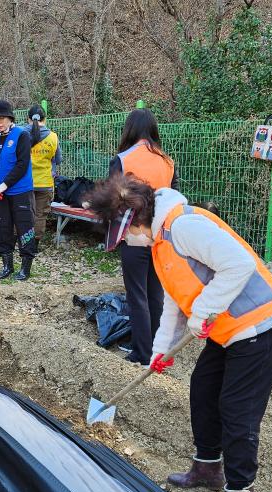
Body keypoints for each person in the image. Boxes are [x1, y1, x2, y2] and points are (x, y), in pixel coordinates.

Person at [84, 175, 272, 492]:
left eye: (125, 236)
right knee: (203, 389)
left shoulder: (184, 227)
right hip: (228, 326)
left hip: (259, 323)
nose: (126, 243)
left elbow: (239, 264)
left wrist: (204, 311)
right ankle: (207, 467)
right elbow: (175, 301)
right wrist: (161, 350)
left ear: (134, 221)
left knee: (236, 408)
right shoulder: (160, 242)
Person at [104, 108, 175, 366]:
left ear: (129, 130)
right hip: (160, 235)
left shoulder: (123, 159)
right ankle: (155, 348)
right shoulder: (167, 161)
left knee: (137, 295)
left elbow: (112, 198)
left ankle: (142, 353)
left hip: (134, 234)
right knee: (155, 293)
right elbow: (173, 196)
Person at [0, 100, 36, 280]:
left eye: (2, 118)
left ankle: (26, 267)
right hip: (0, 193)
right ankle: (7, 265)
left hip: (20, 191)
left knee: (25, 226)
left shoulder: (21, 135)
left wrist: (4, 184)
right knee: (2, 227)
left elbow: (22, 164)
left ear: (10, 118)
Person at [27, 104, 61, 241]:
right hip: (45, 183)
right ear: (45, 119)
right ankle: (34, 244)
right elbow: (58, 160)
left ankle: (23, 242)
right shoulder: (53, 137)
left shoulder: (22, 134)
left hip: (25, 182)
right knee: (40, 215)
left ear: (28, 119)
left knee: (24, 213)